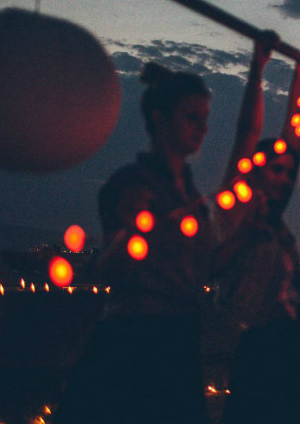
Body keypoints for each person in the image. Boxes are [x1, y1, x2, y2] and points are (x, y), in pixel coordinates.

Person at [55, 62, 214, 423]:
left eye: (205, 117)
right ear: (160, 119)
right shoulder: (130, 185)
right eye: (191, 116)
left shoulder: (192, 196)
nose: (203, 128)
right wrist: (132, 231)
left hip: (180, 342)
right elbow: (108, 270)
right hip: (135, 343)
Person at [211, 34, 300, 424]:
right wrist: (258, 66)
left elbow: (294, 137)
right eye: (277, 170)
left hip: (296, 339)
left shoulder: (273, 216)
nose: (286, 178)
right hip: (260, 342)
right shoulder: (235, 206)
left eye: (288, 173)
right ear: (256, 167)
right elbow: (246, 133)